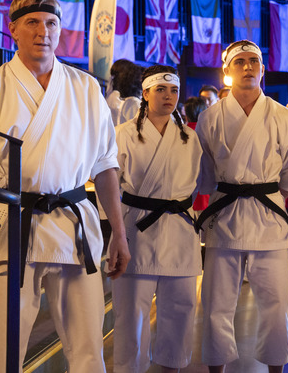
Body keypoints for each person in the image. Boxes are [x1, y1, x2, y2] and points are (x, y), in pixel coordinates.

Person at [0, 0, 131, 372]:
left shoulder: (85, 89)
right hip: (11, 229)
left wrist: (118, 231)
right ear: (13, 29)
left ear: (60, 30)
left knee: (87, 352)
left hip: (74, 228)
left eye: (51, 23)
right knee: (1, 353)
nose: (42, 31)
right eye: (31, 22)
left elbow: (105, 165)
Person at [195, 40, 288, 373]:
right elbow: (205, 172)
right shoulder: (210, 117)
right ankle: (216, 367)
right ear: (226, 71)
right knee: (216, 304)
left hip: (268, 214)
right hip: (224, 214)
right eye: (239, 62)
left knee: (276, 303)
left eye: (253, 61)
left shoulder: (283, 116)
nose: (247, 67)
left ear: (262, 69)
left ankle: (275, 368)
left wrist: (272, 196)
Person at [113, 65, 202, 373]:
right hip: (137, 228)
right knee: (130, 314)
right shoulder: (123, 134)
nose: (168, 96)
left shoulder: (189, 137)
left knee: (180, 309)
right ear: (146, 93)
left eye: (174, 90)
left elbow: (199, 184)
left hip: (180, 228)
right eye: (161, 90)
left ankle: (171, 368)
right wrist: (115, 233)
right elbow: (110, 185)